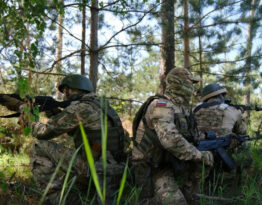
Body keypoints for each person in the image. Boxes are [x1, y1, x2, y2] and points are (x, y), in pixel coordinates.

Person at [25, 74, 126, 205]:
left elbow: (44, 132)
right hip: (113, 165)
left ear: (69, 90)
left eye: (64, 92)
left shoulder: (81, 108)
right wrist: (56, 114)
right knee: (68, 183)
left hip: (93, 166)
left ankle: (55, 199)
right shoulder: (102, 105)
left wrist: (28, 119)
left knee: (38, 147)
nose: (63, 96)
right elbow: (81, 131)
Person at [132, 67, 214, 205]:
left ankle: (190, 194)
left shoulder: (182, 108)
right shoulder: (161, 105)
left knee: (195, 194)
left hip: (169, 162)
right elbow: (170, 140)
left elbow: (192, 136)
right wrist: (199, 155)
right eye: (190, 82)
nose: (193, 87)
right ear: (179, 83)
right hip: (151, 167)